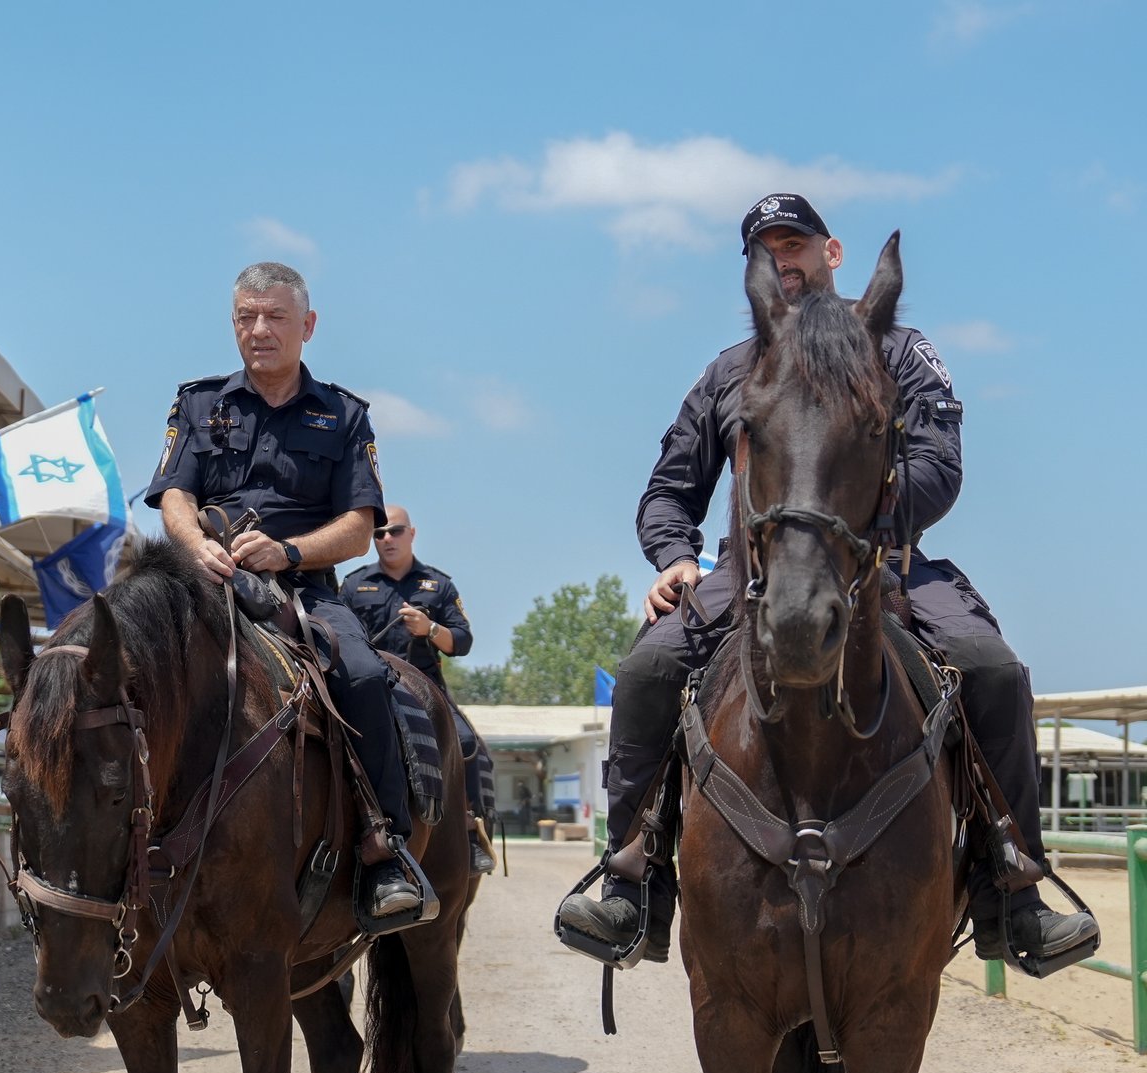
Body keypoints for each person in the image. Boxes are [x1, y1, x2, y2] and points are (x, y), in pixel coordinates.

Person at [557, 193, 1098, 969]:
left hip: (889, 563)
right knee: (647, 668)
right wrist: (674, 554)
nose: (786, 261)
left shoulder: (903, 352)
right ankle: (634, 880)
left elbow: (940, 467)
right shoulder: (728, 372)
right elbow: (669, 489)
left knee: (995, 672)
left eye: (797, 246)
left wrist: (861, 516)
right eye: (768, 252)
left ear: (832, 253)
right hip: (751, 574)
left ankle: (1012, 890)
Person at [144, 260, 421, 921]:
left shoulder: (344, 416)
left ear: (308, 326)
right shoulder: (198, 403)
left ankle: (384, 848)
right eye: (246, 317)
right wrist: (194, 543)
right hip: (204, 580)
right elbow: (175, 494)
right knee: (124, 665)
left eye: (274, 317)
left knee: (359, 672)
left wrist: (288, 550)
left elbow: (359, 529)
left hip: (303, 589)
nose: (259, 330)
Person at [341, 505, 496, 874]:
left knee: (466, 744)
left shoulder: (438, 585)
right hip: (369, 685)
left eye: (395, 531)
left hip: (428, 691)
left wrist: (430, 628)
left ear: (412, 533)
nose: (386, 539)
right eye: (379, 533)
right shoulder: (353, 585)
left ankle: (470, 831)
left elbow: (462, 641)